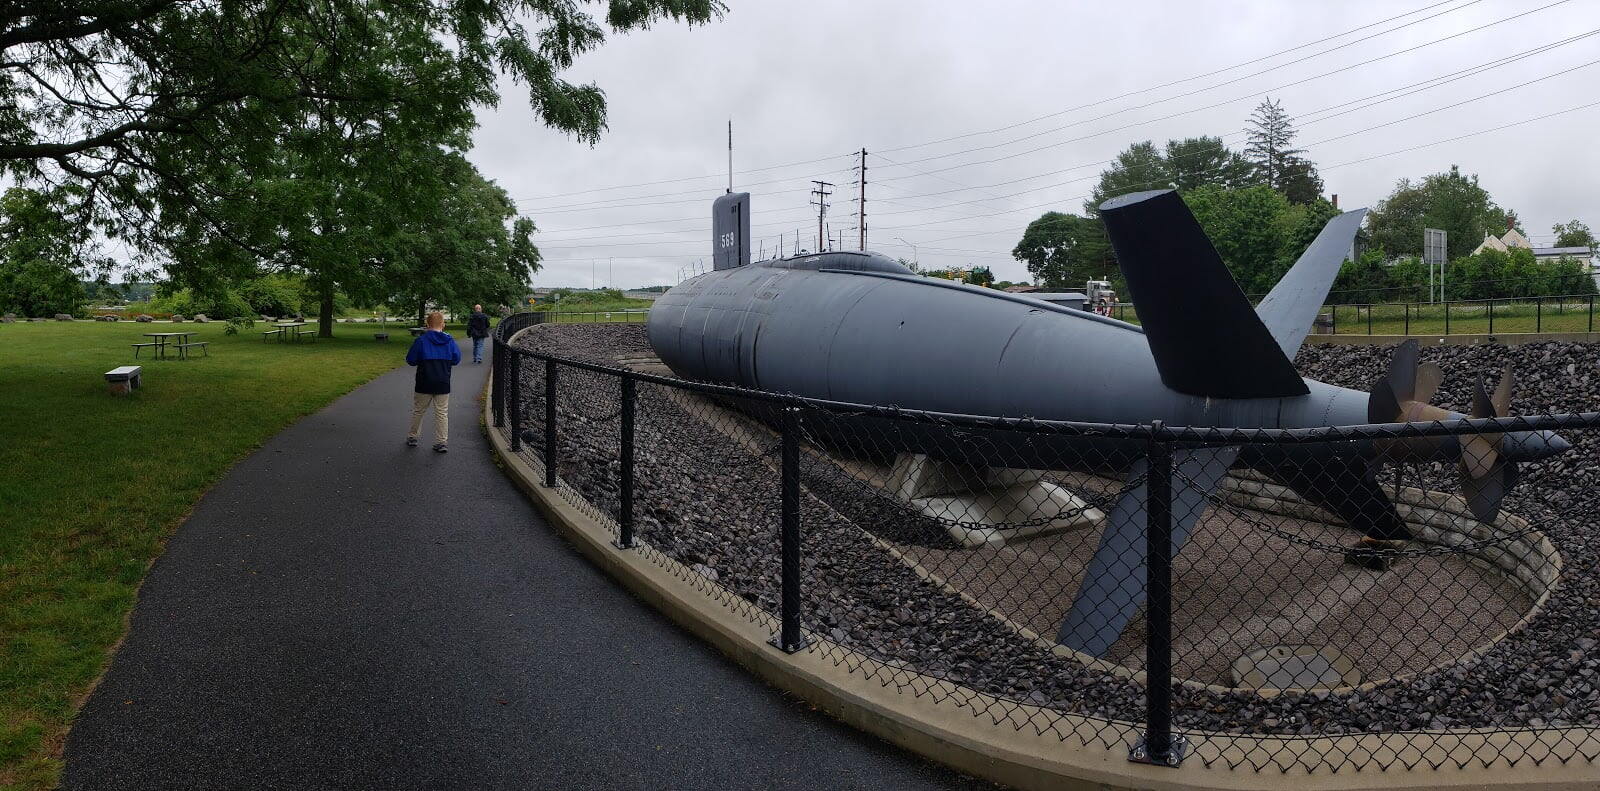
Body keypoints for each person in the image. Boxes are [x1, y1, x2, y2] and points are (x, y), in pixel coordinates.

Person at [405, 311, 461, 453]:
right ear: (443, 324)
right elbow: (456, 359)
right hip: (443, 381)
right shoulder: (449, 341)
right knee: (442, 412)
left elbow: (411, 360)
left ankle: (413, 436)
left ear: (427, 325)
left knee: (419, 410)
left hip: (424, 381)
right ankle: (441, 441)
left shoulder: (421, 341)